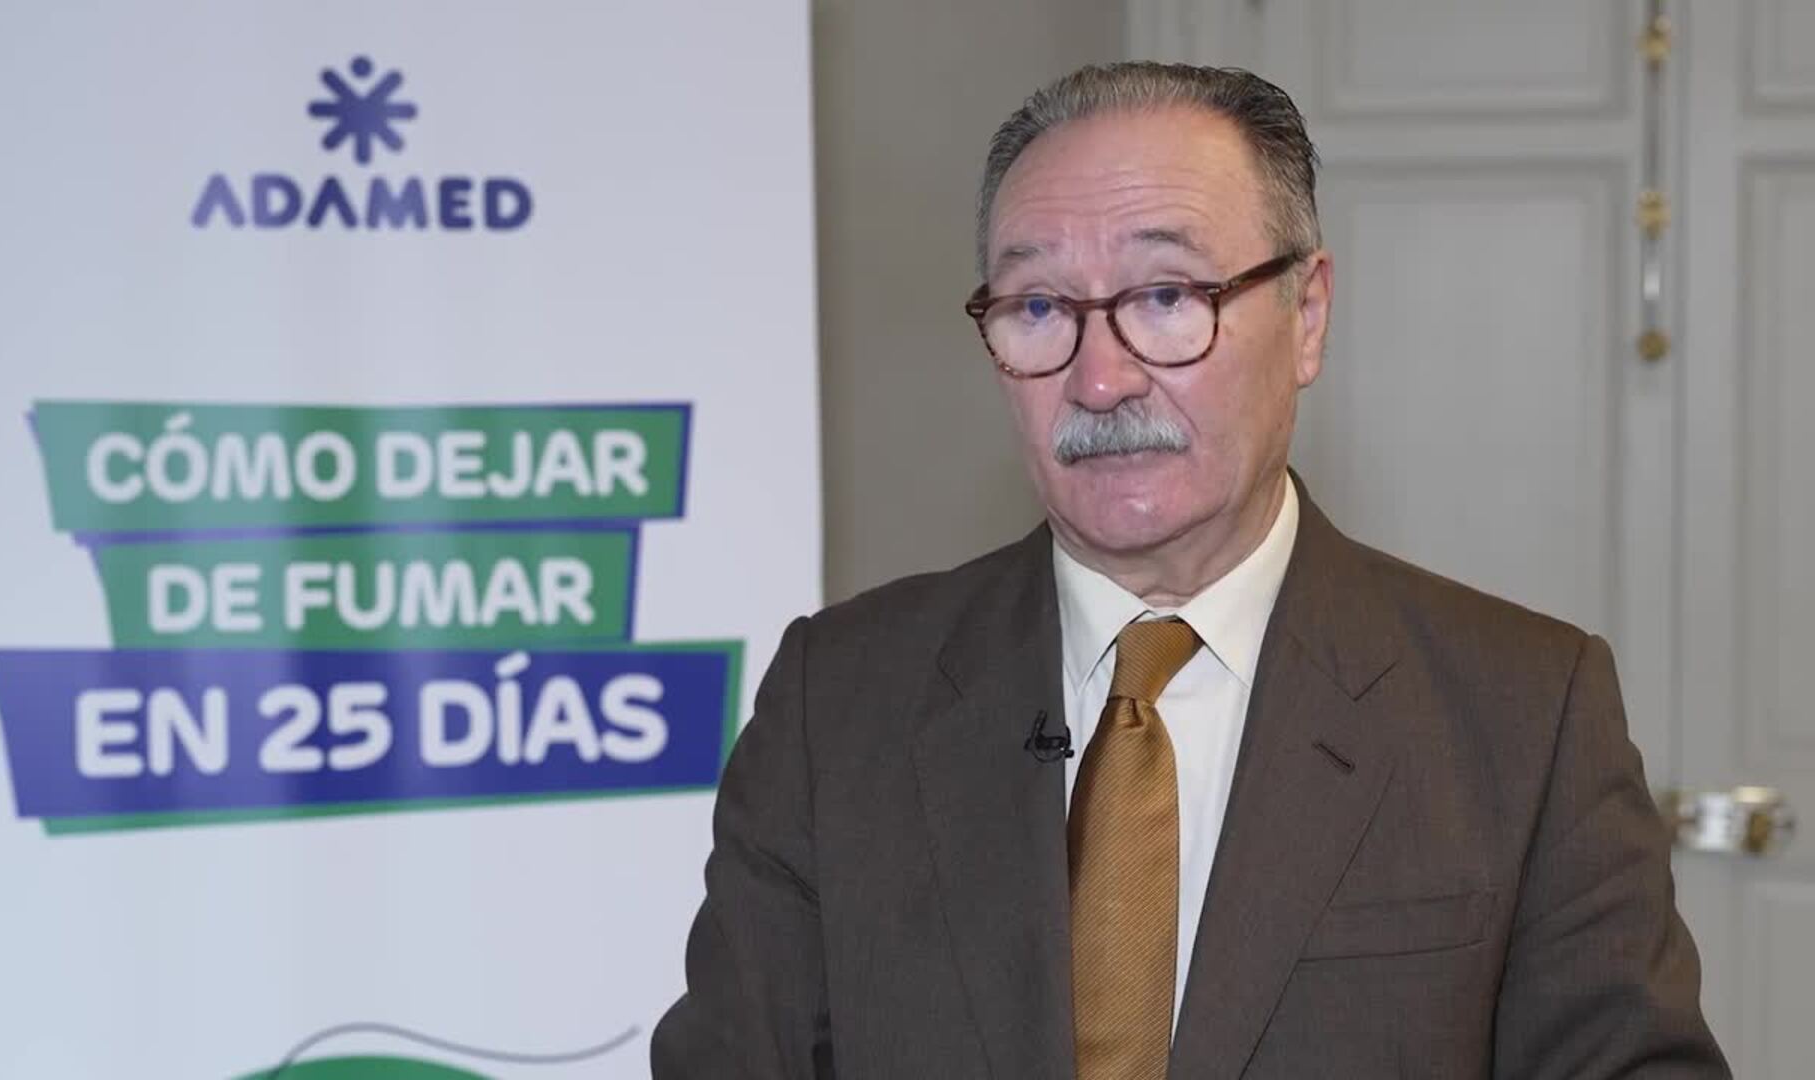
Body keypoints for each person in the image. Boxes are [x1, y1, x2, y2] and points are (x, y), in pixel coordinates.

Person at [652, 61, 1728, 1079]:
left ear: (1306, 316)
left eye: (1166, 297)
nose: (1101, 379)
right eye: (1039, 309)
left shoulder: (1523, 715)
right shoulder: (839, 703)